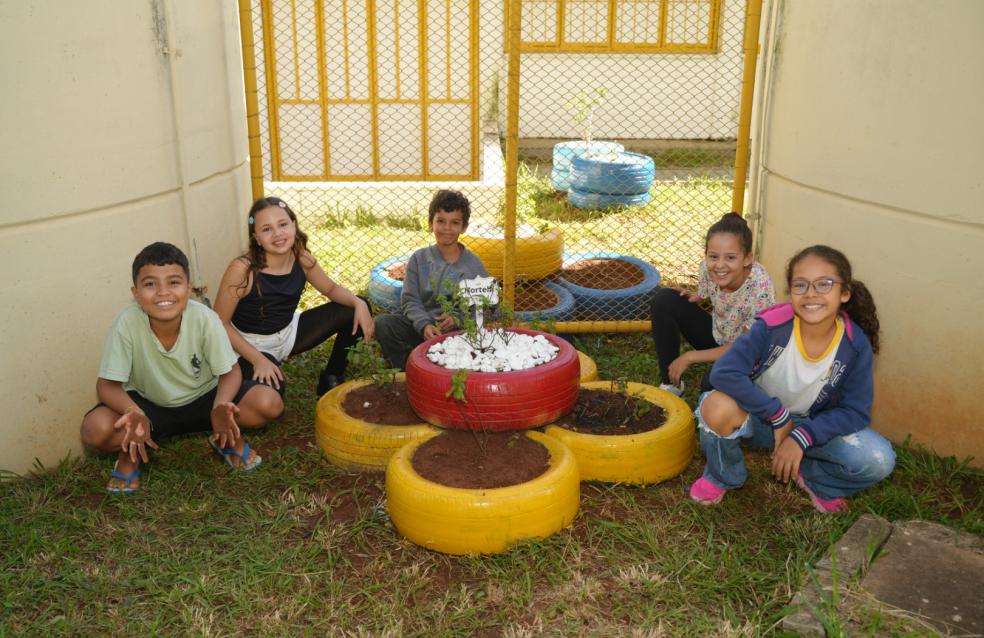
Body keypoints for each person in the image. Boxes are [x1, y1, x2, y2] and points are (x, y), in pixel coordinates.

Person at [689, 245, 896, 513]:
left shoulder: (855, 346)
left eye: (824, 284)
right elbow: (724, 372)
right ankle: (722, 475)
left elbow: (855, 412)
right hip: (756, 418)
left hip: (810, 428)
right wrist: (777, 415)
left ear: (844, 293)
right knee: (716, 406)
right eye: (801, 285)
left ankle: (817, 479)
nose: (811, 294)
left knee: (877, 459)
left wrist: (802, 436)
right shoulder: (771, 327)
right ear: (790, 292)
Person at [80, 242, 284, 493]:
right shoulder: (126, 323)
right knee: (94, 429)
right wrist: (133, 412)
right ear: (135, 292)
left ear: (188, 289)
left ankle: (225, 438)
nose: (163, 293)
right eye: (150, 284)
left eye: (174, 282)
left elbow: (231, 372)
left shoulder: (204, 318)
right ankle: (130, 451)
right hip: (150, 407)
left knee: (268, 404)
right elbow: (107, 386)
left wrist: (221, 406)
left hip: (205, 400)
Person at [213, 197, 374, 397]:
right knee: (272, 395)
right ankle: (248, 374)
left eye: (282, 224)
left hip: (288, 333)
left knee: (354, 307)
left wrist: (359, 303)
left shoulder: (301, 258)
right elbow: (220, 322)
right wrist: (258, 360)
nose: (277, 233)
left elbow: (331, 288)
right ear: (256, 237)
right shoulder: (242, 270)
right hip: (251, 344)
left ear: (294, 225)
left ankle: (331, 377)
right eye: (266, 229)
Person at [650, 212, 775, 395]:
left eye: (730, 258)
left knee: (712, 382)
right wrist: (698, 296)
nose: (720, 265)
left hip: (750, 355)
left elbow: (745, 346)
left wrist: (690, 357)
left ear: (747, 258)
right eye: (713, 256)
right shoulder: (708, 268)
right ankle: (671, 385)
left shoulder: (760, 288)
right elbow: (707, 289)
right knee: (665, 299)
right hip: (720, 336)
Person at [375, 189, 489, 370]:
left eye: (455, 223)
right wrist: (424, 325)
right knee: (384, 324)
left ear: (464, 227)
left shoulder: (473, 265)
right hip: (423, 327)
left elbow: (485, 306)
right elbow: (410, 299)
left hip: (458, 332)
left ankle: (451, 366)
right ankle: (407, 371)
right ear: (430, 223)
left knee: (478, 337)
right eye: (441, 221)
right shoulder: (419, 259)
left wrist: (458, 318)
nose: (447, 228)